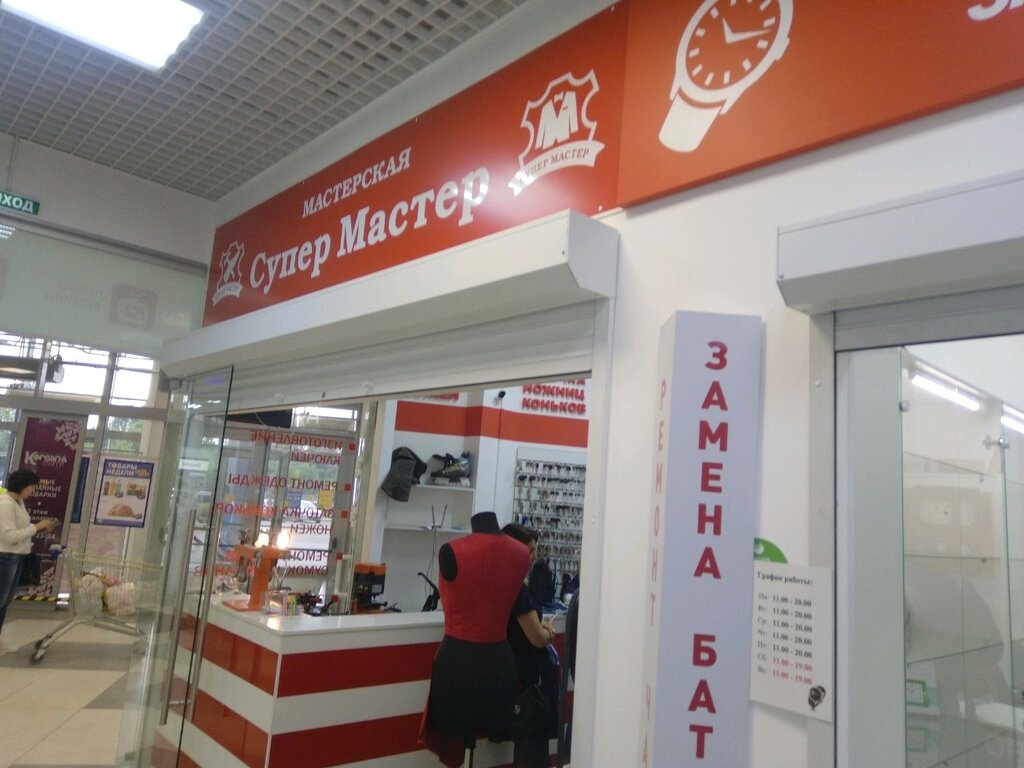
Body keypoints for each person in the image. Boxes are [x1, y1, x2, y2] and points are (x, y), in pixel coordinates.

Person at [502, 523, 558, 768]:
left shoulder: (504, 583)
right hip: (528, 682)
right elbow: (537, 638)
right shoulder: (517, 589)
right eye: (530, 550)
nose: (535, 557)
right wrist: (548, 632)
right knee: (532, 749)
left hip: (517, 675)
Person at [0, 469, 55, 653]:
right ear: (22, 486)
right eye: (31, 486)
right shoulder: (5, 504)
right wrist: (35, 527)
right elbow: (9, 536)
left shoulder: (18, 502)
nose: (33, 490)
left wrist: (37, 529)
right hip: (5, 556)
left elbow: (21, 529)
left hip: (17, 556)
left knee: (5, 602)